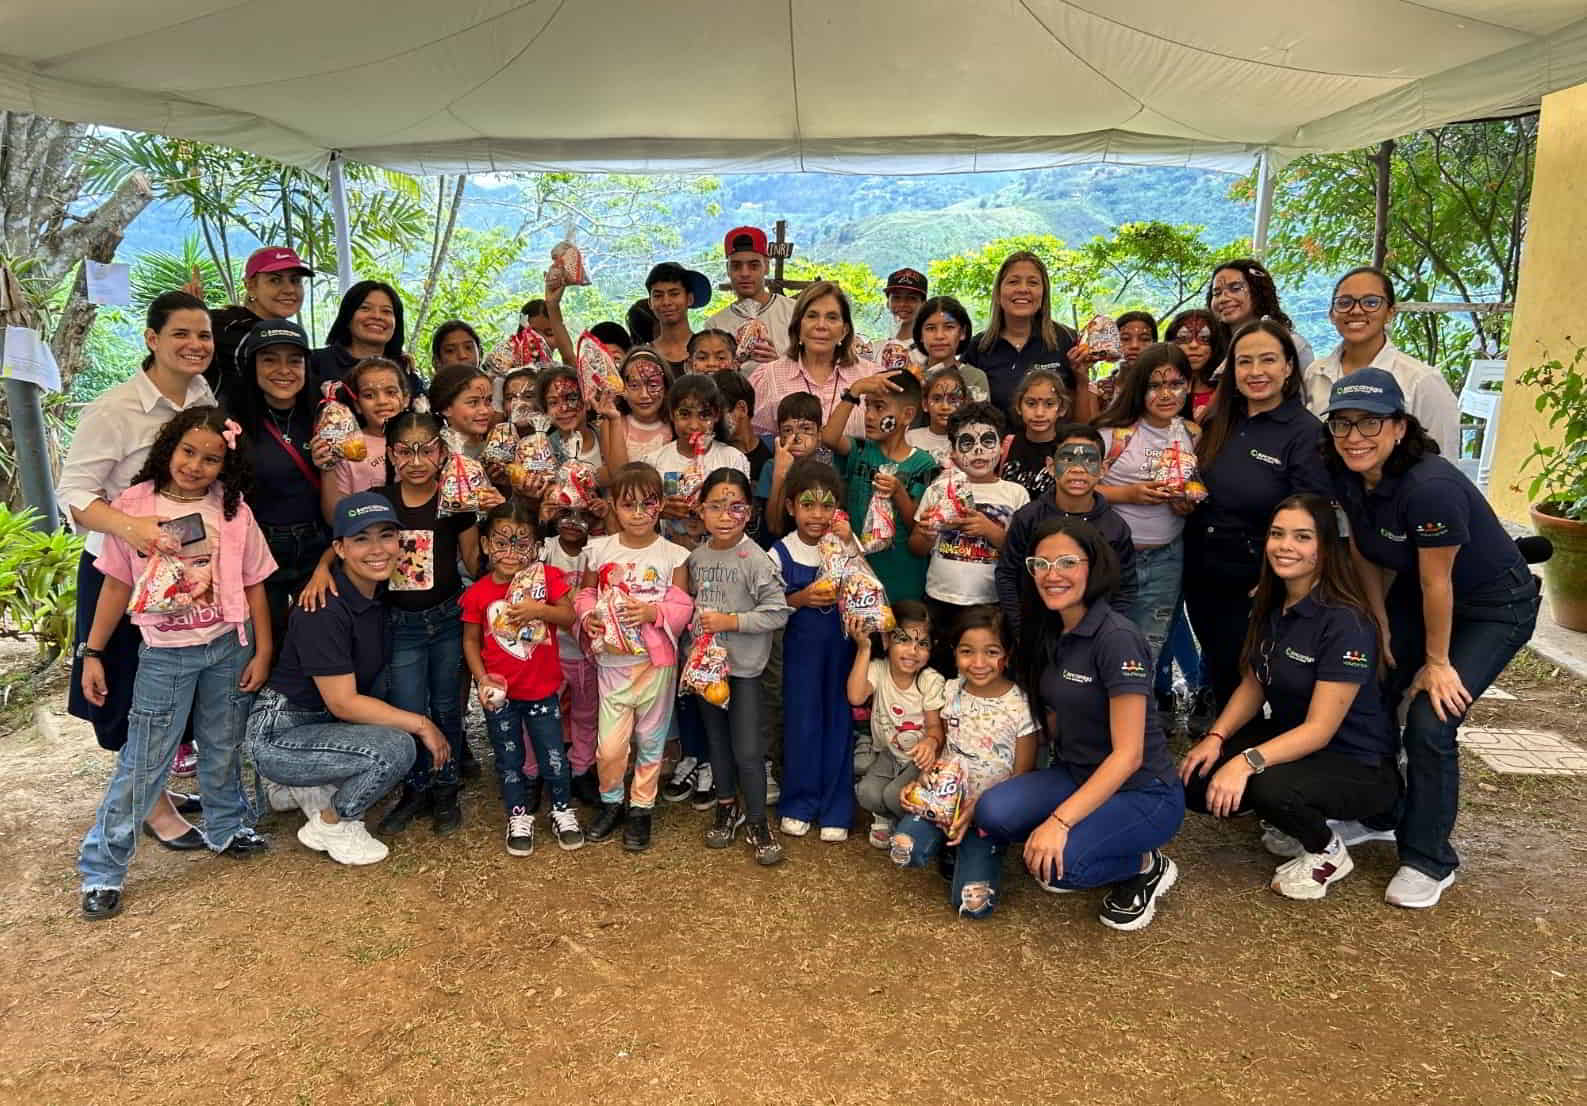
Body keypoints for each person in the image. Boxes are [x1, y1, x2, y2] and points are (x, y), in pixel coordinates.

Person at [1324, 368, 1539, 908]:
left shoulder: (1430, 487)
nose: (1354, 436)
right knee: (1369, 682)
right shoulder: (1347, 472)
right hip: (1415, 596)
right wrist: (1380, 625)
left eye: (1370, 422)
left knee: (1430, 718)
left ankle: (1428, 858)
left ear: (1400, 427)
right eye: (1342, 423)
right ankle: (1379, 813)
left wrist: (1437, 662)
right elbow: (1364, 552)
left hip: (1491, 607)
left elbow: (1436, 582)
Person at [75, 407, 276, 920]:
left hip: (228, 647)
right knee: (145, 758)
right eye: (188, 451)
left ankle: (227, 827)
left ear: (225, 466)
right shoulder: (134, 507)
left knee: (223, 742)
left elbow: (255, 582)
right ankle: (103, 867)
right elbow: (116, 584)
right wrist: (92, 653)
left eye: (211, 458)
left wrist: (262, 649)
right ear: (169, 447)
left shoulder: (232, 510)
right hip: (164, 655)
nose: (195, 465)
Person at [1180, 494, 1401, 900]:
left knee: (1270, 786)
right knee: (1196, 777)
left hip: (1356, 761)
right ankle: (1284, 818)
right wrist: (1216, 737)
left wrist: (1245, 762)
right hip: (1294, 743)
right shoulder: (1272, 602)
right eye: (1277, 534)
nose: (1285, 546)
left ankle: (1327, 852)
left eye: (1302, 537)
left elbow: (1319, 730)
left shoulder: (1345, 621)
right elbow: (1255, 683)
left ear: (1325, 548)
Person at [59, 291, 219, 844]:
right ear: (151, 339)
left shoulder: (200, 392)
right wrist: (133, 529)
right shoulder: (115, 410)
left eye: (203, 334)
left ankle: (156, 786)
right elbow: (74, 493)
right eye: (180, 334)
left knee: (172, 681)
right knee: (128, 684)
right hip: (121, 568)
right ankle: (152, 808)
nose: (195, 345)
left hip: (184, 568)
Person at [974, 518, 1186, 931]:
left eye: (1067, 562)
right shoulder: (1050, 628)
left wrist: (1059, 821)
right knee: (993, 812)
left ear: (1094, 566)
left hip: (1142, 790)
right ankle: (1087, 833)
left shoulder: (1117, 637)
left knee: (1059, 868)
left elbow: (1129, 755)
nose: (1051, 574)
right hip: (1076, 773)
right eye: (1040, 564)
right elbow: (1049, 719)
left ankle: (1146, 864)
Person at [246, 492, 451, 867]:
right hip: (281, 733)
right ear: (340, 548)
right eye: (361, 539)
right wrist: (423, 724)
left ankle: (300, 787)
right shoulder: (322, 606)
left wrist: (322, 565)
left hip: (321, 723)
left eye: (386, 536)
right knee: (396, 749)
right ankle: (333, 823)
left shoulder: (378, 589)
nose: (377, 549)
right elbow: (343, 703)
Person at [1184, 319, 1330, 714]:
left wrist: (1275, 579)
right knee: (1222, 672)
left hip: (1259, 582)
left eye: (1268, 360)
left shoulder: (1305, 432)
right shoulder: (1218, 422)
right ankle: (1227, 743)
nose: (1255, 371)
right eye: (1244, 362)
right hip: (1203, 574)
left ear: (1288, 367)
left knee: (1265, 680)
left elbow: (1312, 516)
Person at [371, 411, 496, 836]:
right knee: (408, 709)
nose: (416, 461)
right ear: (391, 455)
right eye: (405, 452)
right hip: (400, 625)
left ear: (442, 452)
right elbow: (348, 546)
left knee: (446, 706)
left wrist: (485, 516)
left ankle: (446, 788)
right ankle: (415, 787)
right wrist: (320, 571)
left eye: (426, 450)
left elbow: (475, 564)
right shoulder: (379, 500)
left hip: (446, 620)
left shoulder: (455, 502)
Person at [889, 605, 1038, 919]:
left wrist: (978, 809)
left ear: (1008, 654)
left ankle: (971, 849)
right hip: (943, 798)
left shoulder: (1020, 705)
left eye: (991, 652)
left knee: (973, 907)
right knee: (905, 848)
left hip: (987, 811)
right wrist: (922, 783)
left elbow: (1022, 774)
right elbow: (942, 744)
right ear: (954, 652)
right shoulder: (951, 690)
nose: (979, 663)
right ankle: (947, 843)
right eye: (967, 651)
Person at [575, 462, 695, 851]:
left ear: (661, 505)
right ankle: (611, 801)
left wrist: (652, 613)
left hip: (655, 666)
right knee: (610, 746)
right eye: (629, 505)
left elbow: (682, 605)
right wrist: (588, 617)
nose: (639, 513)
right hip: (612, 665)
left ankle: (642, 807)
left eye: (649, 503)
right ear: (614, 506)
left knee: (651, 739)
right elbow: (585, 594)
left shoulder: (674, 555)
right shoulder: (599, 550)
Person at [462, 501, 584, 856]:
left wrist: (538, 609)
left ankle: (562, 809)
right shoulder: (477, 593)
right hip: (500, 695)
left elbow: (569, 617)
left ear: (537, 546)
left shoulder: (547, 580)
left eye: (522, 543)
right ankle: (518, 815)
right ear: (486, 544)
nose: (511, 553)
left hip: (542, 691)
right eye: (502, 543)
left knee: (553, 755)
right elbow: (470, 641)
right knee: (508, 758)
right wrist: (482, 680)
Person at [688, 469, 792, 865]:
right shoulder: (696, 558)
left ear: (749, 512)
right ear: (701, 510)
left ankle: (757, 821)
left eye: (736, 507)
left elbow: (778, 612)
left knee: (747, 750)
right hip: (706, 672)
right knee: (717, 743)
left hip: (745, 671)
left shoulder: (756, 560)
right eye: (716, 506)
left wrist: (731, 621)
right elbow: (688, 610)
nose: (725, 516)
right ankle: (726, 806)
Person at [223, 318, 331, 645]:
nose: (283, 370)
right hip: (259, 546)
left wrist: (328, 466)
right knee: (265, 641)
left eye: (294, 361)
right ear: (252, 365)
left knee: (318, 639)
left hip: (317, 547)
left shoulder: (327, 415)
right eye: (270, 360)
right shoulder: (232, 421)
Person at [1094, 344, 1203, 664]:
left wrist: (1187, 502)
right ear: (1139, 387)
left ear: (1189, 385)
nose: (1166, 394)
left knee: (1147, 651)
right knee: (1104, 642)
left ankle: (1140, 697)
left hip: (1166, 558)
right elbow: (1078, 490)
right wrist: (1128, 494)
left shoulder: (1192, 433)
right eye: (1154, 385)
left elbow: (1194, 484)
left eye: (1176, 384)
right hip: (1113, 555)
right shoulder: (1111, 434)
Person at [909, 402, 1029, 674]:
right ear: (952, 451)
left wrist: (990, 531)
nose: (978, 451)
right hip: (940, 599)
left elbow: (1022, 553)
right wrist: (927, 533)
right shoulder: (939, 489)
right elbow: (916, 547)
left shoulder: (1015, 494)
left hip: (989, 602)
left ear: (1002, 448)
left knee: (982, 669)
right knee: (939, 670)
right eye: (967, 442)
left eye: (987, 441)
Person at [772, 460, 856, 841]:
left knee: (838, 721)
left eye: (826, 505)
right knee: (802, 723)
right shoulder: (780, 553)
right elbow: (767, 606)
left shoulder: (843, 547)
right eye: (808, 505)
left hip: (841, 651)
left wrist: (851, 546)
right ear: (791, 507)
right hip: (799, 655)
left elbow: (867, 590)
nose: (817, 515)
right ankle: (798, 802)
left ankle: (836, 806)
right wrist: (801, 598)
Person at [997, 423, 1138, 637]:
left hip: (1092, 639)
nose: (1078, 469)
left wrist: (1103, 635)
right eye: (1068, 459)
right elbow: (1007, 574)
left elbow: (1124, 589)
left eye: (1089, 460)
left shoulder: (1115, 528)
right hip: (1034, 635)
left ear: (1103, 469)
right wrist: (1020, 630)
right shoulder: (1028, 519)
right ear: (1051, 466)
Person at [1302, 267, 1460, 456]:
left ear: (1390, 312)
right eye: (1344, 303)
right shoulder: (1316, 373)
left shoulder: (1421, 381)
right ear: (1331, 315)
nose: (1356, 310)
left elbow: (1444, 459)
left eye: (1371, 302)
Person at [822, 368, 937, 603]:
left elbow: (918, 528)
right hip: (859, 574)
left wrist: (899, 493)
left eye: (879, 407)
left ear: (907, 415)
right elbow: (829, 438)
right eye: (868, 406)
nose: (869, 416)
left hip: (902, 577)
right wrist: (854, 392)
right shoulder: (860, 450)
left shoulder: (924, 463)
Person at [847, 600, 946, 849]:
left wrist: (930, 742)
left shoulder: (930, 681)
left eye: (922, 644)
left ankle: (915, 824)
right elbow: (856, 696)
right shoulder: (879, 670)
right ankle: (888, 817)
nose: (913, 650)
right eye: (903, 639)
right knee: (866, 792)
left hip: (919, 761)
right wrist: (864, 648)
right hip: (890, 754)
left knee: (894, 796)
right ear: (886, 640)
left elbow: (936, 728)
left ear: (931, 648)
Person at [961, 251, 1091, 422]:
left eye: (1033, 283)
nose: (1023, 289)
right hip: (995, 439)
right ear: (998, 293)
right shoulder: (979, 346)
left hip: (1058, 439)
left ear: (1044, 293)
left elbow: (1083, 424)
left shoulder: (1066, 339)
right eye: (1013, 282)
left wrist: (1082, 379)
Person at [748, 280, 880, 440]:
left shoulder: (871, 376)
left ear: (844, 331)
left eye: (832, 317)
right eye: (812, 316)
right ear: (798, 326)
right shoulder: (769, 377)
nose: (821, 325)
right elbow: (753, 442)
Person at [636, 374, 751, 549]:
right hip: (670, 556)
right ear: (671, 414)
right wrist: (659, 510)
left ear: (717, 415)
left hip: (720, 556)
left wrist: (712, 508)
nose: (694, 425)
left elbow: (742, 512)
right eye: (685, 414)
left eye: (704, 415)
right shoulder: (654, 462)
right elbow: (637, 513)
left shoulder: (732, 459)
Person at [540, 497, 601, 806]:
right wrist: (542, 519)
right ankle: (541, 771)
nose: (573, 522)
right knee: (543, 714)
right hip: (547, 653)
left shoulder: (598, 551)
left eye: (583, 514)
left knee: (586, 715)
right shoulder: (546, 548)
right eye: (565, 513)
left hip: (585, 655)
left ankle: (581, 770)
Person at [207, 246, 312, 399]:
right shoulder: (227, 326)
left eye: (295, 280)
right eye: (275, 280)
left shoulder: (292, 333)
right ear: (250, 286)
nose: (289, 289)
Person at [320, 356, 409, 522]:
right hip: (368, 534)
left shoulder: (424, 440)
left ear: (405, 399)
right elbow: (334, 518)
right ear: (357, 405)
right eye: (369, 395)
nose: (382, 401)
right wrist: (327, 467)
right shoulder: (349, 447)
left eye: (390, 392)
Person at [311, 280, 423, 396]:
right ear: (347, 317)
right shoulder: (316, 363)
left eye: (386, 311)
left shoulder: (405, 369)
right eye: (365, 308)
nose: (377, 316)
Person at [704, 226, 798, 365]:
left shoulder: (795, 313)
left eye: (754, 265)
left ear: (767, 267)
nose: (745, 273)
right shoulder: (716, 325)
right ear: (727, 270)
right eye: (736, 266)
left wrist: (778, 366)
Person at [1206, 259, 1315, 370]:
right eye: (1217, 293)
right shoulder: (1207, 350)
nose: (1223, 299)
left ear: (1258, 291)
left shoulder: (1294, 345)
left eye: (1235, 289)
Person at [595, 346, 675, 484]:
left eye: (653, 385)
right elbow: (619, 477)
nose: (644, 395)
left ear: (666, 388)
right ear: (621, 388)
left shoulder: (675, 424)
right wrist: (615, 421)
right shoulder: (611, 423)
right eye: (634, 385)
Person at [760, 391, 823, 540]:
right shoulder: (771, 467)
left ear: (819, 434)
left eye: (806, 429)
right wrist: (780, 475)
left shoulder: (825, 468)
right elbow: (773, 527)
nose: (796, 438)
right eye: (788, 430)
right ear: (780, 436)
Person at [997, 368, 1067, 501]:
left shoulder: (1068, 449)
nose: (1039, 413)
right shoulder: (1005, 446)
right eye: (1031, 404)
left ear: (1062, 409)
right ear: (1019, 407)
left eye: (1049, 404)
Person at [914, 296, 990, 402]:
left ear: (962, 332)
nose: (939, 336)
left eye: (949, 327)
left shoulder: (975, 378)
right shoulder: (912, 376)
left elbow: (982, 412)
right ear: (920, 335)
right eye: (930, 328)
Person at [645, 262, 712, 372]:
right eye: (658, 296)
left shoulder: (710, 350)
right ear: (650, 303)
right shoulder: (645, 357)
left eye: (674, 294)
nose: (666, 302)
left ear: (689, 299)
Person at [1164, 308, 1228, 420]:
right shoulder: (1158, 389)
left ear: (1216, 344)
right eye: (1184, 339)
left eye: (1204, 338)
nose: (1194, 345)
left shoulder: (1228, 391)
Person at [430, 363, 495, 461]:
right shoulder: (438, 455)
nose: (485, 410)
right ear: (446, 408)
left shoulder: (496, 448)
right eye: (473, 402)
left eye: (488, 401)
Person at [906, 367, 968, 468]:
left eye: (953, 399)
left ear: (964, 404)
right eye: (937, 399)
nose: (945, 407)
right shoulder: (910, 439)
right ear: (925, 404)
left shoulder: (970, 441)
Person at [878, 268, 929, 362]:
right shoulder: (876, 349)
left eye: (911, 298)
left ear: (923, 305)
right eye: (896, 297)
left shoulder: (930, 351)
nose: (902, 304)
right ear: (888, 303)